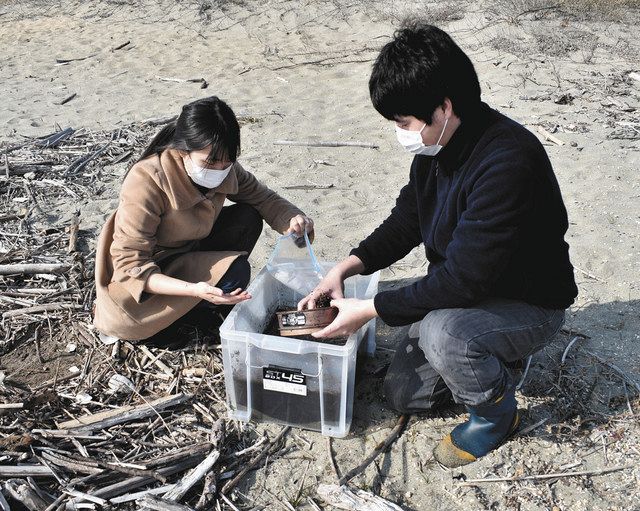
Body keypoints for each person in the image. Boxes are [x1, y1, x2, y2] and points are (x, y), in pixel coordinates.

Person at [298, 23, 577, 467]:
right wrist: (345, 268)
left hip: (528, 302)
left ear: (444, 107)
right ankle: (488, 359)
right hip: (469, 285)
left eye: (404, 122)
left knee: (442, 332)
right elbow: (407, 221)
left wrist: (369, 310)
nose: (400, 133)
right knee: (405, 394)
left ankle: (495, 416)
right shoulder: (437, 148)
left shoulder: (507, 162)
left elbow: (463, 281)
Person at [94, 96, 314, 344]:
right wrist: (195, 290)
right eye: (210, 162)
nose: (219, 170)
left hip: (190, 249)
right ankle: (191, 313)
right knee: (236, 272)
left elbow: (263, 197)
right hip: (152, 273)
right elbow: (130, 266)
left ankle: (200, 307)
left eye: (226, 162)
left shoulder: (224, 167)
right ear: (183, 150)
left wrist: (294, 219)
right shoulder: (148, 179)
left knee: (248, 217)